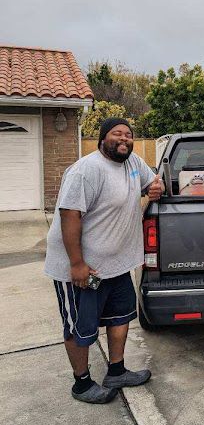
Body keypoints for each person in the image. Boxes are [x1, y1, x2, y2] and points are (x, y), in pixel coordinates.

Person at [45, 118, 164, 404]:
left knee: (120, 317)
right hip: (84, 268)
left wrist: (154, 189)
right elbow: (69, 215)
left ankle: (117, 371)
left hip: (117, 266)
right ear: (102, 139)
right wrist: (77, 264)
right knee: (79, 326)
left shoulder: (134, 162)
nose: (124, 138)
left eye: (128, 134)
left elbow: (151, 183)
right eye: (116, 134)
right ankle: (82, 384)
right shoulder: (86, 170)